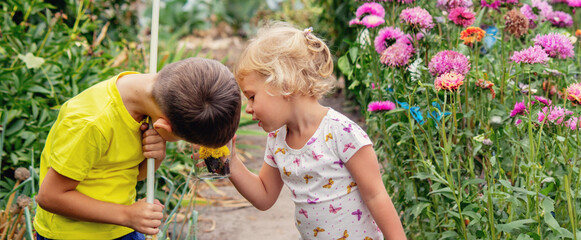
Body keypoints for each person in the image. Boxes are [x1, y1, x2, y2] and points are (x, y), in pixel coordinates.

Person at [229, 22, 406, 239]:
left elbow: (376, 195)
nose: (248, 108)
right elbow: (264, 196)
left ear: (283, 83)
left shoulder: (341, 133)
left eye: (252, 96)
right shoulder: (277, 140)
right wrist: (231, 161)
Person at [33, 57, 242, 240]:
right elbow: (50, 197)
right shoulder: (91, 124)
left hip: (122, 227)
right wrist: (127, 215)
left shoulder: (154, 100)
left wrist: (157, 155)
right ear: (164, 127)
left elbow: (135, 175)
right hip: (75, 235)